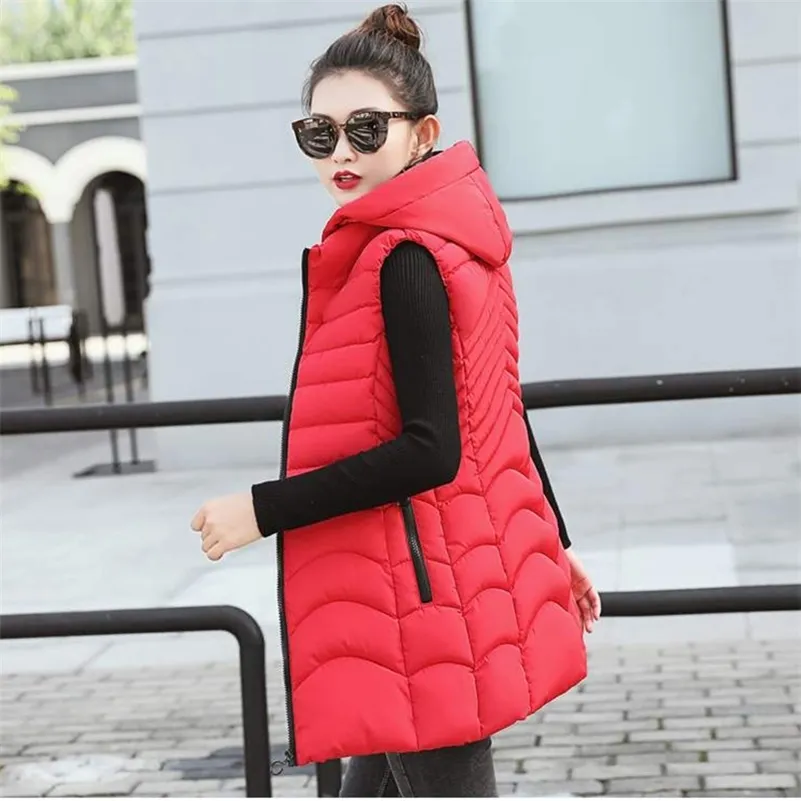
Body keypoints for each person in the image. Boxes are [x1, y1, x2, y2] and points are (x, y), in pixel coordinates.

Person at [191, 4, 601, 796]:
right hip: (412, 587)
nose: (341, 152)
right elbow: (496, 407)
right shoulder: (451, 239)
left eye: (366, 128)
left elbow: (433, 448)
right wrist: (555, 538)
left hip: (417, 600)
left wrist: (259, 510)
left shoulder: (404, 256)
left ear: (422, 134)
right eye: (319, 133)